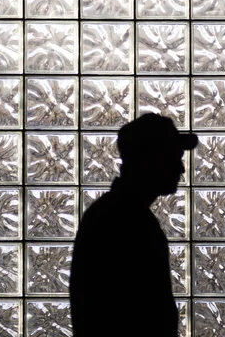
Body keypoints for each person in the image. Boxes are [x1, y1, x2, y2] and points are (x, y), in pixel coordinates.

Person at [69, 113, 198, 337]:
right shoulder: (125, 221)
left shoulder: (114, 214)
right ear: (150, 160)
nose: (181, 169)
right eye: (173, 157)